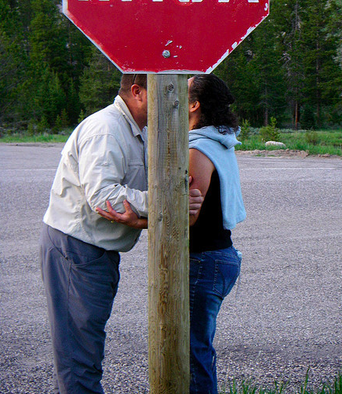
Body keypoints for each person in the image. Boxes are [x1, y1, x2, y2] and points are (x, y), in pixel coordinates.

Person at [40, 74, 203, 394]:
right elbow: (104, 198)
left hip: (94, 251)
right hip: (77, 250)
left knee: (86, 347)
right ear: (138, 92)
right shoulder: (107, 128)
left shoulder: (135, 130)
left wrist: (179, 197)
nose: (176, 101)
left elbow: (135, 194)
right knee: (79, 356)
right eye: (165, 91)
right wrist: (171, 202)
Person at [98, 73, 246, 394]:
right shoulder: (218, 141)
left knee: (191, 352)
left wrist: (135, 221)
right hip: (218, 256)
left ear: (192, 104)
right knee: (197, 348)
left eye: (181, 89)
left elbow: (187, 220)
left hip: (204, 260)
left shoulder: (197, 149)